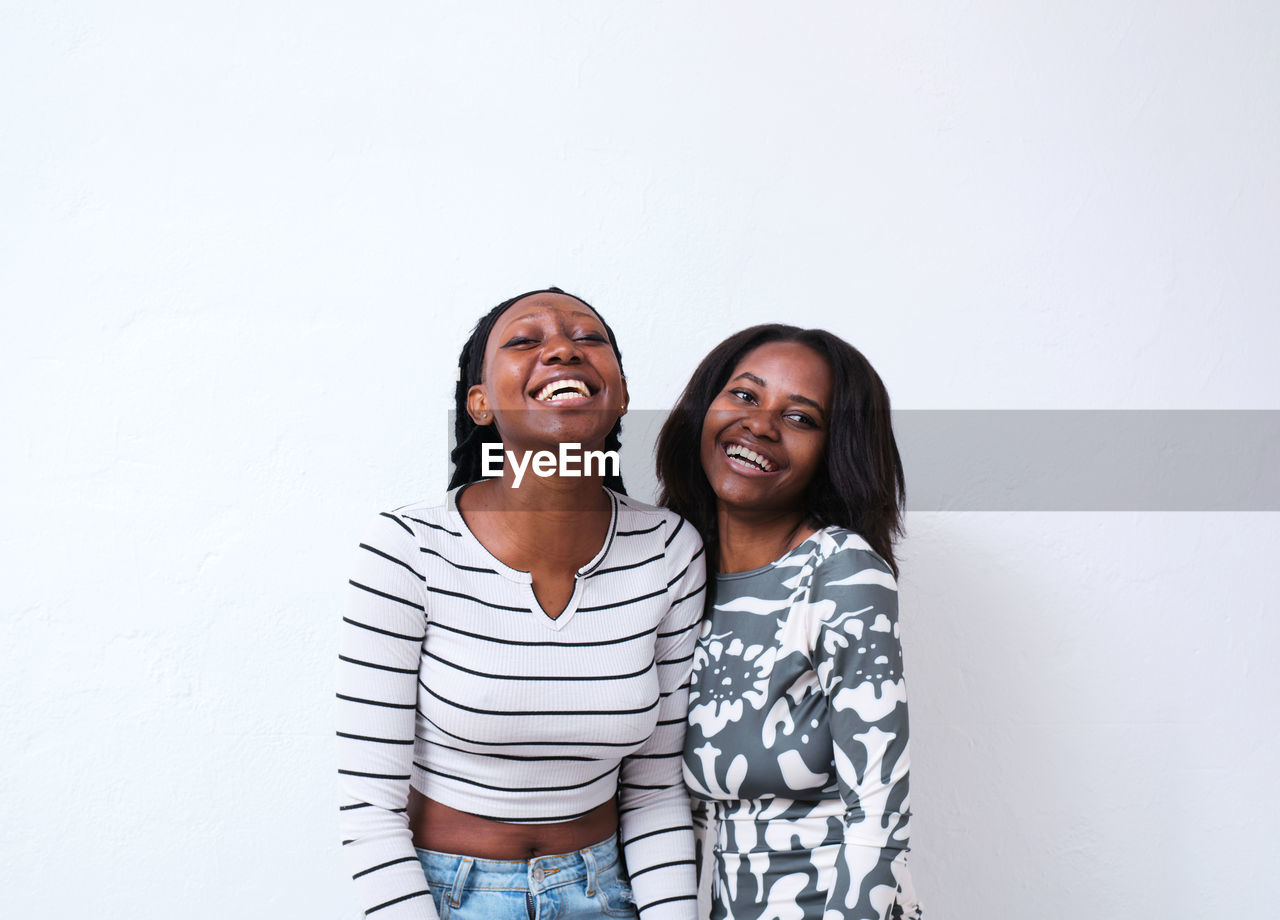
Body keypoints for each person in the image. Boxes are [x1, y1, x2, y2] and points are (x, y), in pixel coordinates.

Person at [338, 288, 705, 920]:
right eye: (524, 341)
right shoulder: (409, 549)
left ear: (618, 394)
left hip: (606, 889)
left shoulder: (669, 548)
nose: (563, 348)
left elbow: (654, 792)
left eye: (589, 339)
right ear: (479, 403)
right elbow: (370, 806)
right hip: (446, 896)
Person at [656, 325, 923, 920]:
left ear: (835, 451)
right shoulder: (676, 573)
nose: (761, 425)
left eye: (800, 418)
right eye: (745, 396)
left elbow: (881, 812)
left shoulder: (841, 571)